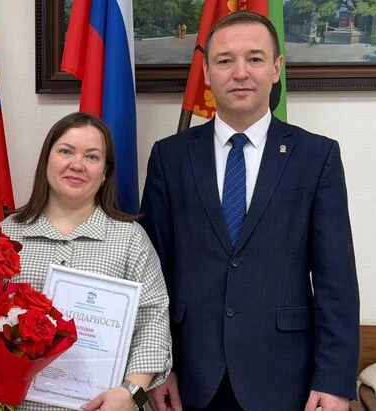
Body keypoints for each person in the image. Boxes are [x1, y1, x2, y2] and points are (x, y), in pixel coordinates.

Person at [139, 11, 359, 411]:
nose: (240, 72)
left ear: (276, 68)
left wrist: (334, 381)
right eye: (225, 60)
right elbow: (153, 275)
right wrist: (157, 367)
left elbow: (336, 281)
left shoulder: (317, 156)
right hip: (190, 377)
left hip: (285, 378)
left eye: (255, 59)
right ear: (207, 73)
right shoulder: (170, 157)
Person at [0, 112, 172, 411]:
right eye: (66, 151)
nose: (77, 164)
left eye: (92, 156)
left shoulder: (131, 240)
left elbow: (153, 323)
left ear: (105, 172)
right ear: (47, 160)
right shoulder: (5, 235)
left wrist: (131, 393)